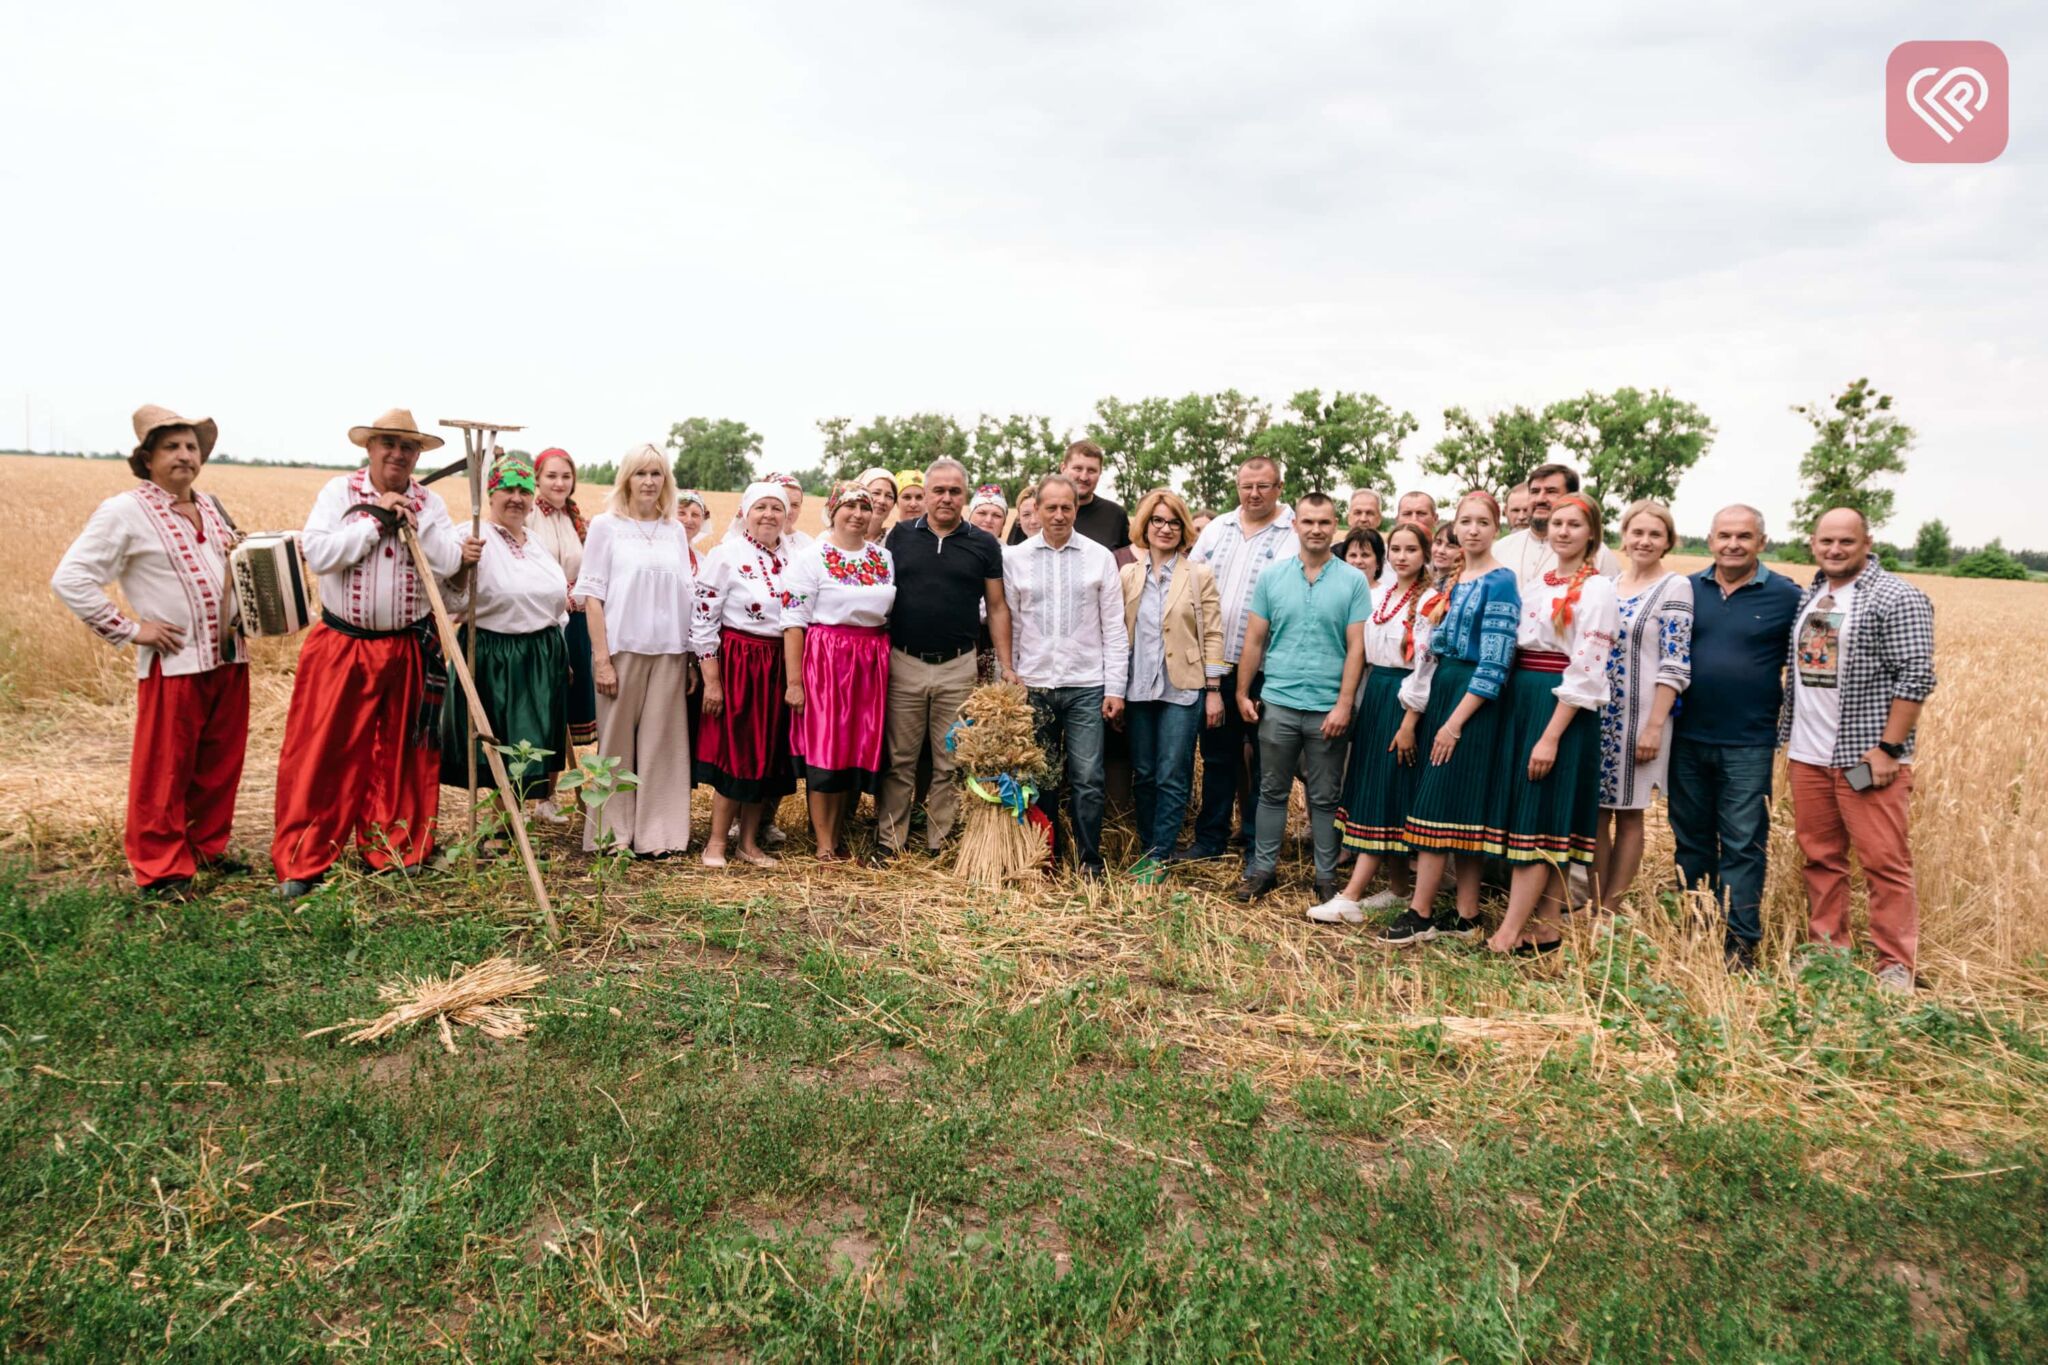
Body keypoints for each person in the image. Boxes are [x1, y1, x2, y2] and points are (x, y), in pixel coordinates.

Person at [52, 404, 250, 898]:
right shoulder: (125, 511)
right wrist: (130, 629)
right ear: (147, 458)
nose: (185, 455)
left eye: (191, 447)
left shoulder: (213, 508)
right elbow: (70, 578)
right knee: (165, 769)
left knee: (219, 762)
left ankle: (206, 848)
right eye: (171, 447)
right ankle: (162, 869)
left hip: (228, 657)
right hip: (175, 661)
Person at [271, 408, 463, 898]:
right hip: (343, 646)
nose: (398, 454)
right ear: (370, 448)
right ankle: (305, 858)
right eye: (389, 444)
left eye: (408, 447)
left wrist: (414, 521)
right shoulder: (339, 494)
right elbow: (318, 554)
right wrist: (376, 522)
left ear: (418, 454)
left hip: (407, 647)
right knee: (323, 752)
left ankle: (394, 848)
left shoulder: (430, 503)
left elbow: (447, 562)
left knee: (402, 754)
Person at [1782, 508, 1937, 994]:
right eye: (1826, 541)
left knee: (1883, 862)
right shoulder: (1814, 594)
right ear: (1813, 542)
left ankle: (1896, 964)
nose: (1835, 549)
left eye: (1846, 541)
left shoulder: (1898, 596)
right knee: (1820, 857)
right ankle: (1829, 952)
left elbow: (1916, 676)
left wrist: (1889, 748)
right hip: (1809, 754)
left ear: (1867, 541)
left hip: (1865, 756)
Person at [1379, 491, 1519, 945]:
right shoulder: (1451, 581)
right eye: (1466, 522)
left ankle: (1421, 912)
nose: (1473, 530)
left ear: (1495, 528)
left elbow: (1496, 662)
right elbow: (1427, 652)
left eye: (1483, 522)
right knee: (1456, 806)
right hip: (1442, 687)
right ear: (1455, 527)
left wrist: (1455, 722)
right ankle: (1467, 914)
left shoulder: (1501, 582)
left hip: (1471, 700)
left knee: (1438, 802)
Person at [1668, 505, 1803, 970]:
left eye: (1744, 536)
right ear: (1709, 540)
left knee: (1744, 842)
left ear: (1761, 542)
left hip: (1749, 741)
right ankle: (1698, 927)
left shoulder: (1787, 595)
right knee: (1692, 839)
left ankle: (1740, 942)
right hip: (1686, 737)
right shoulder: (1686, 589)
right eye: (1724, 535)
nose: (1733, 544)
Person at [1487, 495, 1620, 955]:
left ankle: (1508, 931)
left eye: (1574, 525)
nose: (1563, 531)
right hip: (1523, 697)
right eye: (1558, 523)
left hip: (1558, 707)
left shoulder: (1598, 590)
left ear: (1591, 534)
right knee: (1535, 811)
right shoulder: (1539, 584)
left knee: (1540, 817)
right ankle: (1545, 925)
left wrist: (1550, 735)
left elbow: (1587, 669)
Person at [1232, 493, 1371, 902]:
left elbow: (1357, 648)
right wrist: (1242, 692)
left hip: (1328, 707)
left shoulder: (1352, 581)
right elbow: (1255, 639)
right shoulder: (1273, 577)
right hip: (1279, 701)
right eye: (1308, 522)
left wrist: (1345, 704)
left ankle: (1326, 876)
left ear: (1335, 527)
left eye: (1324, 523)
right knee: (1272, 790)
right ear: (1296, 525)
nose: (1315, 529)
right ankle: (1263, 870)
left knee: (1325, 795)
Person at [878, 459, 1014, 857]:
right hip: (904, 661)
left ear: (965, 497)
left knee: (949, 760)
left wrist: (1006, 665)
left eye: (955, 491)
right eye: (938, 490)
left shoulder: (983, 544)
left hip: (958, 665)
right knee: (899, 759)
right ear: (927, 492)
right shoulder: (899, 537)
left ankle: (940, 843)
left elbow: (998, 606)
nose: (946, 498)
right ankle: (890, 842)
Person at [1309, 521, 1435, 923]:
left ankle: (1351, 893)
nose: (1401, 556)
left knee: (1388, 788)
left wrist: (1410, 720)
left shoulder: (1431, 600)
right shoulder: (1377, 594)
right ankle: (1398, 887)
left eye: (1410, 549)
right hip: (1376, 692)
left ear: (1424, 554)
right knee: (1373, 783)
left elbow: (1426, 665)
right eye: (1395, 548)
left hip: (1403, 696)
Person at [1006, 475, 1128, 877]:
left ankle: (1089, 861)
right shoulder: (1017, 559)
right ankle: (1045, 857)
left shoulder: (1098, 557)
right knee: (1042, 778)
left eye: (1066, 507)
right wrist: (1010, 677)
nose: (1058, 515)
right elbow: (1012, 625)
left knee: (1089, 777)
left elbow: (1113, 627)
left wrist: (1116, 688)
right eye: (1050, 507)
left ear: (1077, 509)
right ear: (1036, 509)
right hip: (1035, 684)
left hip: (1085, 685)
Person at [1178, 457, 1298, 863]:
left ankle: (1257, 843)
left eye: (1263, 486)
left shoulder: (1292, 534)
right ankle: (1210, 839)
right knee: (1217, 757)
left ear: (1279, 487)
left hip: (1268, 667)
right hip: (1217, 664)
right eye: (1247, 485)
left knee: (1265, 761)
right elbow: (1193, 579)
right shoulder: (1217, 528)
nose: (1254, 493)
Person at [580, 443, 697, 857]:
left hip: (668, 651)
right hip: (621, 651)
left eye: (657, 474)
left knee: (663, 746)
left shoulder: (674, 530)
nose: (649, 482)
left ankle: (659, 836)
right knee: (614, 746)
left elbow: (687, 594)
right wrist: (601, 658)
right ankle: (612, 835)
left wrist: (690, 657)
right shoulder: (605, 526)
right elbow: (592, 596)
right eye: (641, 473)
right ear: (626, 478)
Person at [438, 456, 571, 819]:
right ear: (490, 493)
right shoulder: (471, 536)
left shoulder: (535, 542)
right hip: (496, 652)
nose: (516, 498)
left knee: (530, 739)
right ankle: (500, 822)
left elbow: (556, 602)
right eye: (507, 489)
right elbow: (452, 600)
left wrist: (562, 653)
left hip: (541, 652)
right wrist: (464, 565)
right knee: (502, 738)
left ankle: (511, 816)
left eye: (523, 490)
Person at [784, 482, 896, 861]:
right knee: (826, 748)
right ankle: (824, 843)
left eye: (865, 507)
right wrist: (795, 682)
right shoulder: (812, 558)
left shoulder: (882, 558)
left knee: (854, 748)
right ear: (833, 511)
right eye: (849, 506)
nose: (858, 514)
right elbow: (794, 622)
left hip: (871, 661)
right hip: (828, 661)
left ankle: (840, 830)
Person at [1592, 500, 1693, 912]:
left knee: (1629, 812)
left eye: (1655, 534)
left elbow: (1675, 661)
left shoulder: (1674, 587)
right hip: (1599, 715)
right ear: (1625, 535)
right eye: (1638, 532)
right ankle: (1594, 900)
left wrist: (1654, 726)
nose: (1644, 541)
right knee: (1596, 811)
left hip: (1641, 719)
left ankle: (1612, 906)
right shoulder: (1610, 584)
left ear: (1668, 541)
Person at [1119, 489, 1224, 879]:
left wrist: (1213, 691)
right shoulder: (1128, 574)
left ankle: (1161, 855)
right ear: (1144, 526)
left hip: (1183, 688)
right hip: (1137, 687)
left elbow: (1213, 634)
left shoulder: (1199, 575)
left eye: (1174, 522)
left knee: (1172, 773)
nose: (1165, 528)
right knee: (1144, 772)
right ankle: (1148, 847)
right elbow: (1117, 633)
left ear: (1183, 529)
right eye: (1157, 521)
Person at [694, 482, 799, 867]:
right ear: (745, 512)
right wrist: (712, 680)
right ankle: (717, 842)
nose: (769, 514)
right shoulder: (725, 555)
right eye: (761, 507)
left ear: (786, 515)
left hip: (779, 662)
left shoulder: (797, 556)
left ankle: (749, 843)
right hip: (741, 662)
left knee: (767, 754)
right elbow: (702, 620)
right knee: (737, 753)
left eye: (777, 507)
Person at [532, 449, 596, 809]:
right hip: (541, 619)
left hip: (576, 621)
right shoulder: (526, 514)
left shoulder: (576, 520)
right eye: (552, 476)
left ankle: (547, 796)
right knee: (541, 706)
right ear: (537, 478)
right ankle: (527, 793)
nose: (559, 483)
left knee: (563, 710)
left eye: (565, 477)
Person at [1495, 463, 1621, 586]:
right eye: (1534, 491)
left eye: (1551, 491)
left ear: (1571, 497)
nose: (1540, 499)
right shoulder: (1500, 549)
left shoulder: (1598, 553)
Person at [1059, 440, 1131, 555]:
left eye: (1091, 470)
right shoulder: (1043, 512)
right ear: (1063, 468)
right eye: (1078, 468)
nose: (1084, 477)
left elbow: (1129, 561)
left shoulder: (1116, 515)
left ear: (1100, 473)